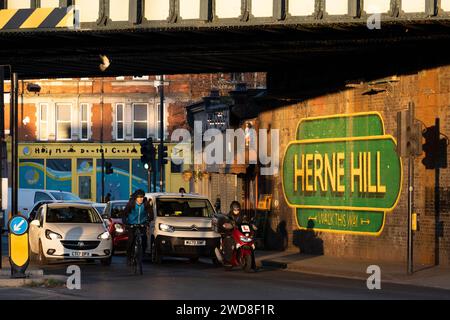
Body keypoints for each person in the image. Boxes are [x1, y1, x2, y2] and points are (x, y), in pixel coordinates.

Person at [122, 189, 153, 264]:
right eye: (139, 197)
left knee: (144, 238)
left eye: (142, 197)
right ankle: (129, 257)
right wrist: (126, 222)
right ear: (136, 198)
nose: (141, 199)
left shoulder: (146, 204)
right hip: (131, 224)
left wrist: (147, 221)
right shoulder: (131, 204)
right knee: (131, 240)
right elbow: (124, 214)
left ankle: (143, 253)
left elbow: (151, 214)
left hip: (142, 224)